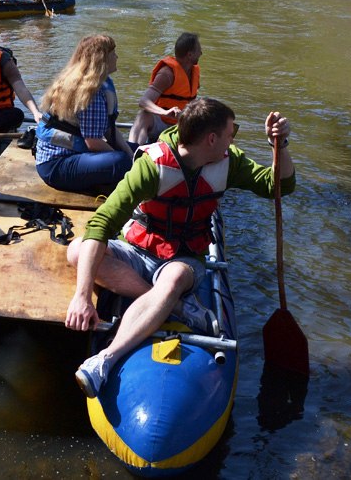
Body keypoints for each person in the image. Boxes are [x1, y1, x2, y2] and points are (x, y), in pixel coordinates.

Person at [66, 98, 295, 397]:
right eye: (232, 132)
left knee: (172, 279)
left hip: (183, 258)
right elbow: (101, 224)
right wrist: (82, 296)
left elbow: (278, 185)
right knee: (76, 250)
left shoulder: (229, 162)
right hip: (139, 249)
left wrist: (281, 143)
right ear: (212, 139)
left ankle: (104, 360)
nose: (233, 138)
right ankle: (172, 305)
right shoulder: (152, 166)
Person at [35, 35, 133, 194]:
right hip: (56, 164)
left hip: (75, 154)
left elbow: (109, 129)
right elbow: (93, 142)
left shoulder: (101, 83)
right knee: (120, 162)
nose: (117, 57)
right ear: (102, 59)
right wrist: (128, 162)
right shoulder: (90, 92)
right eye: (113, 53)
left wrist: (131, 154)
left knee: (140, 152)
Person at [128, 32, 202, 145]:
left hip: (181, 125)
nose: (201, 53)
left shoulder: (194, 72)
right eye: (198, 50)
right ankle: (134, 152)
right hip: (161, 122)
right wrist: (165, 112)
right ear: (190, 55)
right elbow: (144, 101)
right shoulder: (167, 74)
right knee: (144, 115)